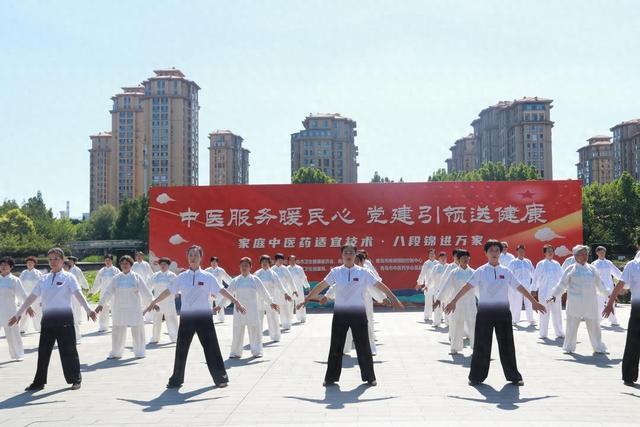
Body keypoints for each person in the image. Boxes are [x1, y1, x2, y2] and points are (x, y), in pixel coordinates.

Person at [299, 245, 404, 387]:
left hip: (358, 314)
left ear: (355, 255)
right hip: (340, 315)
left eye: (351, 252)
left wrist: (395, 299)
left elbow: (380, 286)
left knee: (363, 346)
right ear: (342, 255)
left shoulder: (363, 272)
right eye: (345, 252)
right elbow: (322, 285)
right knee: (336, 347)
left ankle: (369, 377)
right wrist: (307, 299)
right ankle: (330, 378)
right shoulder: (336, 272)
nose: (348, 255)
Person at [445, 240, 545, 386]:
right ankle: (476, 377)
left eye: (497, 250)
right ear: (486, 253)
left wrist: (534, 302)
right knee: (481, 345)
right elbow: (467, 287)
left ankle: (514, 376)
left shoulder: (506, 271)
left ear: (500, 253)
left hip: (503, 314)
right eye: (491, 250)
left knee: (507, 345)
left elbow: (520, 287)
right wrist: (454, 301)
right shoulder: (481, 271)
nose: (494, 253)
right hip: (485, 314)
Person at [144, 245, 246, 389]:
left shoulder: (207, 277)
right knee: (181, 348)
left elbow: (222, 290)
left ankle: (220, 377)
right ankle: (176, 379)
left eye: (196, 255)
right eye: (190, 255)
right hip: (187, 318)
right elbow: (168, 291)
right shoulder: (182, 277)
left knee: (211, 348)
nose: (193, 258)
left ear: (201, 258)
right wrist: (154, 301)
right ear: (187, 257)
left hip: (204, 317)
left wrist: (236, 302)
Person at [9, 248, 97, 391]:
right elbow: (31, 297)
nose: (53, 262)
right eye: (50, 259)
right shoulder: (44, 279)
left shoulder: (69, 277)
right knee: (43, 352)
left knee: (69, 351)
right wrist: (18, 313)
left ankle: (75, 379)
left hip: (65, 320)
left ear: (62, 261)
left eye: (56, 259)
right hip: (48, 321)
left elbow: (78, 293)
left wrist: (88, 309)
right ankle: (39, 382)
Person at [548, 245, 608, 355]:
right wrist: (554, 295)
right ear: (575, 256)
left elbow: (600, 284)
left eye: (586, 254)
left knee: (594, 326)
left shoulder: (592, 269)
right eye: (582, 254)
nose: (585, 256)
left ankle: (598, 347)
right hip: (574, 303)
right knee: (571, 326)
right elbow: (562, 285)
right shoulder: (570, 269)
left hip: (590, 302)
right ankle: (568, 347)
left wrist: (608, 294)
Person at [323, 253, 386, 355]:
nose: (354, 262)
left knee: (367, 326)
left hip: (364, 304)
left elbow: (374, 286)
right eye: (353, 260)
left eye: (356, 261)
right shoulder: (345, 271)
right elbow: (337, 286)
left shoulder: (365, 273)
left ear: (362, 262)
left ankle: (370, 349)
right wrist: (327, 295)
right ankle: (344, 349)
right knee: (346, 328)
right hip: (347, 305)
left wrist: (381, 298)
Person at [95, 255, 153, 359]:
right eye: (122, 263)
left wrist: (152, 303)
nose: (124, 265)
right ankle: (116, 353)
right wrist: (101, 304)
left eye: (127, 263)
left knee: (137, 329)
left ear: (131, 265)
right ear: (120, 265)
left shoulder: (136, 277)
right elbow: (108, 292)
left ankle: (140, 352)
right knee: (117, 330)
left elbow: (145, 291)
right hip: (119, 308)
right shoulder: (116, 278)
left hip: (134, 307)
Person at [222, 257, 279, 358]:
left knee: (255, 330)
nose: (244, 268)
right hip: (239, 309)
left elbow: (264, 293)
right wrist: (219, 305)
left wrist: (271, 302)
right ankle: (236, 352)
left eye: (246, 266)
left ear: (250, 267)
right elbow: (228, 293)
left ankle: (257, 351)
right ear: (239, 267)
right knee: (237, 330)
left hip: (252, 309)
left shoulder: (255, 279)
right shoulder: (236, 280)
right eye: (242, 266)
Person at [603, 237, 640, 385]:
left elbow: (622, 285)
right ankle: (629, 375)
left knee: (633, 342)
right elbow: (622, 284)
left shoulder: (633, 264)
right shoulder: (633, 264)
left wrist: (611, 302)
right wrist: (610, 302)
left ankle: (629, 375)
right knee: (633, 342)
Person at [434, 250, 476, 355]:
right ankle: (454, 347)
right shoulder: (454, 273)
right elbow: (446, 286)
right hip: (456, 303)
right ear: (458, 260)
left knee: (473, 324)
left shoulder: (474, 273)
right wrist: (439, 299)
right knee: (455, 324)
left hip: (470, 303)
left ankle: (476, 347)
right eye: (463, 258)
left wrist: (486, 301)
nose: (465, 260)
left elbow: (480, 289)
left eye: (467, 257)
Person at [254, 255, 292, 342]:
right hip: (259, 299)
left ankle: (275, 336)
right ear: (260, 263)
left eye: (266, 262)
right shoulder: (257, 274)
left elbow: (280, 285)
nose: (264, 264)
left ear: (269, 263)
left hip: (271, 299)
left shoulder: (272, 274)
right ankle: (257, 338)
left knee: (273, 317)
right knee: (258, 318)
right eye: (263, 262)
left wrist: (285, 294)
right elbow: (252, 286)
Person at [1, 256, 31, 361]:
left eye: (6, 265)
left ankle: (18, 354)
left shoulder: (14, 280)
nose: (3, 267)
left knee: (13, 334)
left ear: (11, 267)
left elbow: (22, 295)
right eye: (1, 265)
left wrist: (28, 306)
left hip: (10, 311)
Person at [532, 245, 564, 339]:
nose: (550, 253)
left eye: (552, 251)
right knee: (544, 313)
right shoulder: (540, 264)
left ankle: (559, 332)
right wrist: (534, 289)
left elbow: (562, 278)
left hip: (555, 294)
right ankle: (543, 333)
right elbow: (536, 278)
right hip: (544, 294)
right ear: (544, 253)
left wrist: (563, 289)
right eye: (548, 251)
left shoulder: (557, 264)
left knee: (557, 313)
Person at [149, 257, 179, 344]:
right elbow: (148, 287)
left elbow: (176, 287)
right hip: (157, 301)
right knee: (156, 319)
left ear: (168, 265)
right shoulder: (155, 275)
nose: (162, 266)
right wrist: (151, 299)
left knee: (171, 318)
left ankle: (175, 337)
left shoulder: (172, 275)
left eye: (165, 264)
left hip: (169, 301)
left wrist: (176, 294)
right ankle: (155, 337)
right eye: (161, 264)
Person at [591, 246, 622, 326]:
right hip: (599, 287)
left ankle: (613, 320)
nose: (602, 254)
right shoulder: (594, 264)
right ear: (597, 253)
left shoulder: (608, 262)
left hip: (609, 285)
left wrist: (623, 279)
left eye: (603, 252)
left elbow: (616, 272)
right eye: (600, 252)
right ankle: (597, 320)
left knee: (611, 303)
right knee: (599, 304)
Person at [507, 245, 536, 326]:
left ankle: (531, 319)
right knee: (517, 303)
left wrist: (535, 285)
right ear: (517, 252)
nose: (521, 253)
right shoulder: (513, 262)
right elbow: (509, 275)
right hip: (517, 287)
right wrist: (511, 286)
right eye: (519, 251)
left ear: (524, 252)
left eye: (523, 251)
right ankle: (515, 320)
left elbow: (533, 273)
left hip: (527, 286)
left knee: (529, 303)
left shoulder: (528, 262)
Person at [91, 254, 120, 332]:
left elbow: (119, 281)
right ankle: (103, 326)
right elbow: (97, 282)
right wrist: (93, 291)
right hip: (104, 293)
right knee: (103, 309)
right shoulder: (102, 271)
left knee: (115, 308)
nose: (107, 262)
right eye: (106, 260)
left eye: (109, 260)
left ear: (112, 261)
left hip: (114, 293)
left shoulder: (116, 270)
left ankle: (116, 325)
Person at [67, 256, 90, 344]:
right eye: (68, 261)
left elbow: (82, 279)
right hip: (68, 294)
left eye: (71, 261)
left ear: (74, 262)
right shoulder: (66, 269)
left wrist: (86, 287)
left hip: (76, 292)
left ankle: (78, 320)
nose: (69, 262)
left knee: (76, 308)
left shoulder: (77, 270)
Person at [271, 253, 296, 330]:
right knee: (275, 309)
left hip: (284, 292)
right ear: (275, 260)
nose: (281, 262)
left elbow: (290, 280)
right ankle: (274, 325)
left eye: (282, 260)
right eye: (279, 260)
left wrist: (294, 290)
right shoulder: (272, 269)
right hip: (275, 292)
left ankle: (286, 324)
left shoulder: (285, 269)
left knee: (284, 308)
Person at [18, 256, 43, 333]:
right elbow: (19, 284)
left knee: (37, 312)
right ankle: (22, 328)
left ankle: (40, 327)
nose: (29, 264)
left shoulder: (38, 273)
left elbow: (42, 285)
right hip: (25, 295)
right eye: (28, 263)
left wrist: (42, 297)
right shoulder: (23, 273)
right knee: (24, 312)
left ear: (34, 264)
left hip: (36, 295)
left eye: (31, 263)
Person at [206, 256, 234, 323]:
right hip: (210, 291)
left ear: (217, 263)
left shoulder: (220, 270)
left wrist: (234, 284)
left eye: (215, 262)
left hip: (219, 290)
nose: (214, 263)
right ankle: (208, 319)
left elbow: (227, 278)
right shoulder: (207, 271)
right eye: (212, 262)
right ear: (210, 262)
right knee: (208, 304)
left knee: (219, 304)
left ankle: (221, 319)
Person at [132, 251, 154, 323]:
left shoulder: (146, 264)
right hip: (136, 286)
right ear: (135, 257)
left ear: (142, 256)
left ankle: (149, 318)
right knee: (137, 302)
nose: (138, 257)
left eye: (140, 256)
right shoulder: (133, 265)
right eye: (137, 256)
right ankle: (139, 317)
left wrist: (150, 285)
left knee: (147, 301)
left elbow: (151, 275)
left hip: (145, 286)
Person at [416, 248, 437, 322]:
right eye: (430, 254)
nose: (432, 255)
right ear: (428, 255)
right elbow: (422, 274)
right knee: (428, 301)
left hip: (437, 285)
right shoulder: (426, 263)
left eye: (433, 254)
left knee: (437, 300)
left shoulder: (438, 263)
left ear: (435, 255)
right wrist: (419, 283)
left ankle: (438, 316)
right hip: (427, 285)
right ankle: (427, 315)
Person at [287, 255, 310, 323]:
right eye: (291, 260)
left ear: (295, 260)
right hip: (289, 289)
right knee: (289, 304)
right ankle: (289, 318)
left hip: (299, 288)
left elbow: (303, 277)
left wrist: (306, 285)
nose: (292, 261)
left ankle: (302, 317)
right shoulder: (286, 269)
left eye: (293, 260)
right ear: (288, 261)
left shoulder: (299, 268)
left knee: (300, 302)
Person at [429, 252, 448, 327]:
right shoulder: (436, 267)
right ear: (439, 259)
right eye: (441, 258)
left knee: (447, 306)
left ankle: (448, 323)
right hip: (437, 290)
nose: (443, 259)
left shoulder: (449, 267)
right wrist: (428, 286)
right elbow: (431, 278)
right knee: (438, 307)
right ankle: (437, 322)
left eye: (444, 258)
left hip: (447, 290)